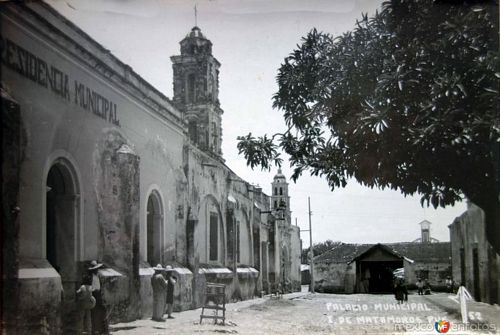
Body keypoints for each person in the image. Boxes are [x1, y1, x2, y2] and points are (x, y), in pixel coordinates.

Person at [88, 260, 109, 334]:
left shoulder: (98, 277)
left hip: (99, 296)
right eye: (95, 269)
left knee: (102, 313)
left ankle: (103, 331)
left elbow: (100, 287)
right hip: (93, 296)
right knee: (95, 315)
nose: (97, 270)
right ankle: (96, 331)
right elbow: (90, 288)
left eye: (97, 269)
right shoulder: (90, 278)